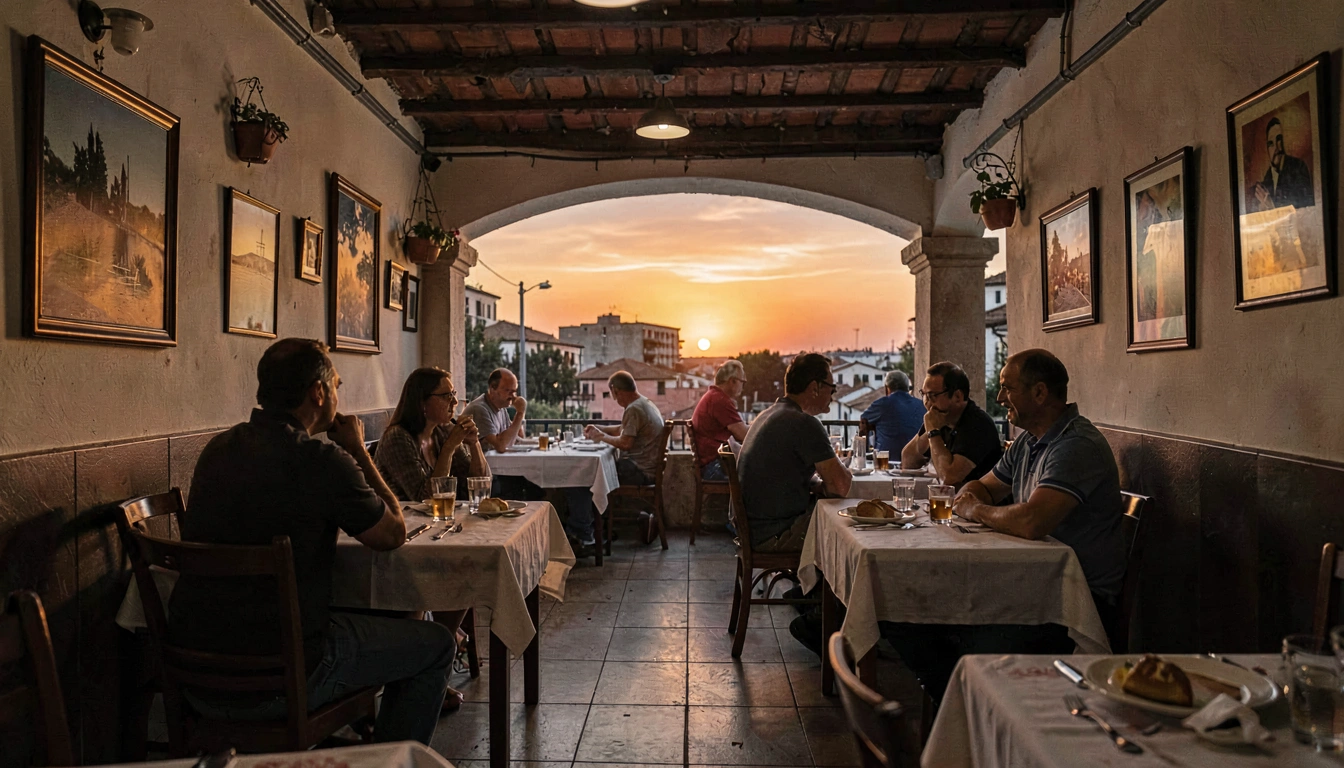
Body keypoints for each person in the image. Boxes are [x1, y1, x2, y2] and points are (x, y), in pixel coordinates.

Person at [168, 338, 454, 745]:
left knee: (394, 618)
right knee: (437, 645)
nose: (338, 392)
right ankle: (387, 758)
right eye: (336, 384)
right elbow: (393, 533)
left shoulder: (218, 448)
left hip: (197, 675)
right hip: (287, 680)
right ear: (318, 393)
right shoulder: (322, 461)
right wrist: (357, 449)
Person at [880, 349, 1125, 705]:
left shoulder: (1075, 446)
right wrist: (977, 501)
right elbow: (977, 488)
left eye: (1006, 388)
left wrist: (978, 510)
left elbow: (1030, 521)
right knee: (899, 606)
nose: (998, 398)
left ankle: (971, 702)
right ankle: (964, 701)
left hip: (1071, 602)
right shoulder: (1029, 441)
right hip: (1030, 584)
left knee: (923, 618)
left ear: (1039, 393)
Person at [737, 353, 851, 553]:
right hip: (776, 534)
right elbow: (840, 487)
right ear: (815, 388)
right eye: (832, 389)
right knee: (849, 530)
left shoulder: (768, 414)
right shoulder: (803, 423)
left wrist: (817, 483)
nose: (833, 397)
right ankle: (831, 585)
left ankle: (814, 585)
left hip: (753, 531)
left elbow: (783, 475)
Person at [376, 367, 491, 502]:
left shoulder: (441, 432)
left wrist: (474, 443)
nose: (454, 401)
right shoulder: (398, 438)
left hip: (438, 519)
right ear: (422, 402)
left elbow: (478, 484)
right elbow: (425, 499)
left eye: (453, 394)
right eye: (446, 396)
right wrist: (448, 448)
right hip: (405, 520)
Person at [581, 372, 666, 548]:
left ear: (616, 391)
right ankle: (596, 528)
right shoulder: (645, 403)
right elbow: (624, 429)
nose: (614, 399)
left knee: (588, 476)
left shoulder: (634, 409)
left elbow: (626, 443)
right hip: (648, 467)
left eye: (612, 394)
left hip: (640, 470)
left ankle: (588, 532)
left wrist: (600, 437)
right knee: (596, 471)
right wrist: (600, 428)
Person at [899, 361, 1002, 488]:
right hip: (950, 501)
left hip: (982, 504)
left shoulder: (977, 424)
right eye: (924, 395)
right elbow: (908, 460)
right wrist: (928, 432)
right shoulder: (939, 417)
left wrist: (933, 432)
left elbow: (948, 478)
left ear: (958, 396)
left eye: (932, 395)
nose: (926, 403)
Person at [460, 368, 539, 499]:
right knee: (530, 486)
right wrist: (520, 413)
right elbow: (501, 446)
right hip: (478, 474)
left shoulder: (501, 408)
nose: (513, 396)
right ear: (492, 388)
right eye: (508, 391)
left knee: (535, 484)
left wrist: (541, 442)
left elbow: (515, 438)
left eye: (514, 391)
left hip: (496, 468)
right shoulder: (480, 409)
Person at [691, 359, 749, 481]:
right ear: (732, 381)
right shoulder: (720, 400)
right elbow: (743, 435)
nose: (743, 386)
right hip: (714, 467)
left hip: (710, 464)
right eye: (742, 382)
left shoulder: (713, 396)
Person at [1252, 117, 1314, 212]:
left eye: (1279, 139)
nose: (1276, 147)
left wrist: (1272, 206)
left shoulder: (1298, 168)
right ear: (1267, 149)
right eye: (1271, 143)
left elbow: (1307, 211)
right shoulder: (1265, 182)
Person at [858, 370, 925, 454]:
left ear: (887, 388)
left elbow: (864, 419)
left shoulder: (882, 404)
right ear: (907, 388)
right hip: (917, 459)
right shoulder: (921, 405)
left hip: (887, 460)